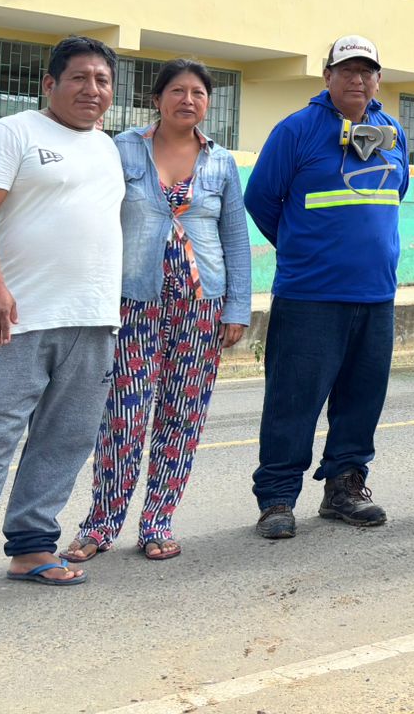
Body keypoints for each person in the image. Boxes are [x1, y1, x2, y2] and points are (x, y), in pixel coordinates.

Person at [0, 36, 124, 623]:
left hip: (93, 320)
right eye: (80, 78)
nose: (92, 90)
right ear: (49, 84)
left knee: (66, 439)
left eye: (103, 80)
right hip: (19, 319)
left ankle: (32, 547)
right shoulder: (10, 133)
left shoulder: (107, 147)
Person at [65, 59, 252, 563]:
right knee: (122, 418)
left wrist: (237, 308)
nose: (188, 100)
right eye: (177, 91)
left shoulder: (221, 163)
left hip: (201, 308)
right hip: (134, 304)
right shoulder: (122, 149)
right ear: (157, 99)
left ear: (207, 103)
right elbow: (95, 220)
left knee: (182, 418)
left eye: (198, 93)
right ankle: (100, 524)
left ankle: (158, 522)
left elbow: (236, 239)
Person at [244, 34, 410, 537]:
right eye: (347, 71)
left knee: (361, 401)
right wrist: (302, 247)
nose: (357, 79)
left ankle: (344, 488)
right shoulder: (296, 129)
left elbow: (394, 195)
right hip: (309, 295)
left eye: (367, 71)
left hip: (376, 295)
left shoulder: (393, 132)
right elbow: (261, 199)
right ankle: (277, 498)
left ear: (378, 79)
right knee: (292, 401)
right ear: (328, 77)